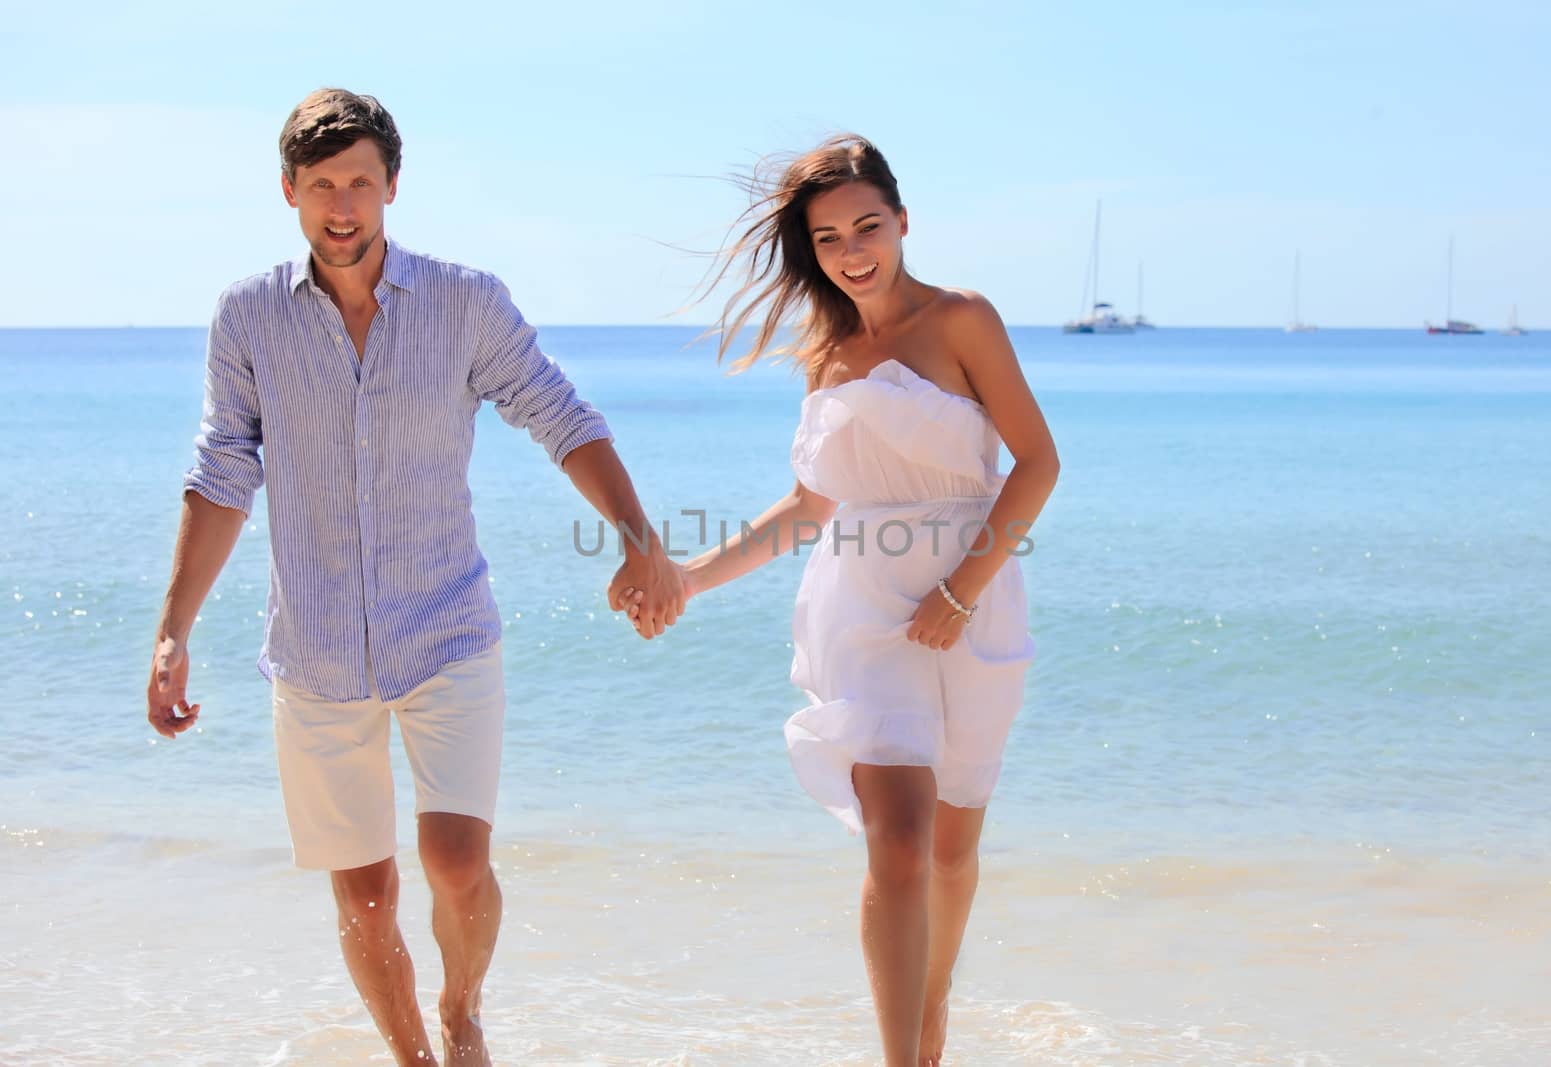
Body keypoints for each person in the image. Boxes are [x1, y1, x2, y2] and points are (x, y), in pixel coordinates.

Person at [144, 88, 683, 1067]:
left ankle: (463, 1005)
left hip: (445, 628)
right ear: (289, 193)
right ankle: (414, 1057)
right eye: (321, 186)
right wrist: (174, 625)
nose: (341, 205)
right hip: (314, 652)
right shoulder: (249, 315)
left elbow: (560, 414)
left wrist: (637, 535)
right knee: (362, 894)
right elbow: (224, 466)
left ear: (392, 186)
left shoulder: (465, 302)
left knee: (457, 863)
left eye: (359, 182)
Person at [626, 134, 1059, 1066]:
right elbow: (811, 507)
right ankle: (900, 1054)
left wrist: (960, 587)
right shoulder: (825, 353)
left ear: (903, 222)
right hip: (862, 606)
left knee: (950, 846)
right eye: (828, 239)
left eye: (868, 226)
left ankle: (931, 1009)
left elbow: (1039, 462)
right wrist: (689, 578)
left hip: (970, 598)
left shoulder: (961, 319)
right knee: (897, 840)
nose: (852, 250)